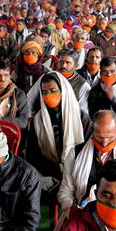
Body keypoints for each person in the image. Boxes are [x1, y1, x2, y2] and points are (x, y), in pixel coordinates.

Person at [57, 110, 116, 223]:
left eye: (110, 138)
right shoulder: (75, 154)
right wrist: (73, 211)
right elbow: (65, 191)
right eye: (99, 137)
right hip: (82, 214)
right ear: (92, 130)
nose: (104, 143)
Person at [27, 72, 91, 200]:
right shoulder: (38, 120)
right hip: (50, 172)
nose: (49, 95)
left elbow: (87, 151)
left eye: (53, 90)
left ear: (63, 91)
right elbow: (32, 154)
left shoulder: (81, 118)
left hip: (76, 169)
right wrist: (51, 172)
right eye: (44, 92)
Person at [87, 56, 116, 143]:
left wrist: (113, 99)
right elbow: (93, 117)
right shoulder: (95, 90)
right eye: (105, 72)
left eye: (112, 71)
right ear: (100, 73)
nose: (108, 75)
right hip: (101, 133)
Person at [27, 49, 90, 114]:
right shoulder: (46, 77)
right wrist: (30, 117)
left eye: (68, 62)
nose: (63, 65)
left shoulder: (83, 85)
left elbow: (83, 111)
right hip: (42, 117)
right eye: (61, 62)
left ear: (76, 65)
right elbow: (30, 98)